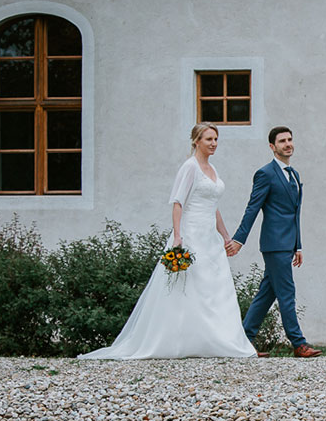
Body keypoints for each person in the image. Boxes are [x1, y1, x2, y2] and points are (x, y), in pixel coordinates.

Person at [79, 123, 256, 360]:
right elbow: (178, 203)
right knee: (189, 288)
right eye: (208, 139)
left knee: (214, 289)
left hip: (210, 237)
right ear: (196, 141)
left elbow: (213, 208)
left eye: (216, 139)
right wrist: (177, 236)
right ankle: (180, 340)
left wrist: (225, 236)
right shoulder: (190, 167)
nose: (214, 143)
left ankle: (216, 340)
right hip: (191, 234)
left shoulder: (212, 168)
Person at [227, 126, 322, 358]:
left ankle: (244, 342)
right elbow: (253, 208)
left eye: (290, 139)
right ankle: (298, 343)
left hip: (288, 244)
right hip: (274, 243)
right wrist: (239, 239)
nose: (288, 144)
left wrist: (298, 245)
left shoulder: (295, 174)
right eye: (282, 141)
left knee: (266, 294)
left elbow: (295, 213)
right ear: (272, 146)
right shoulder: (265, 174)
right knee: (287, 292)